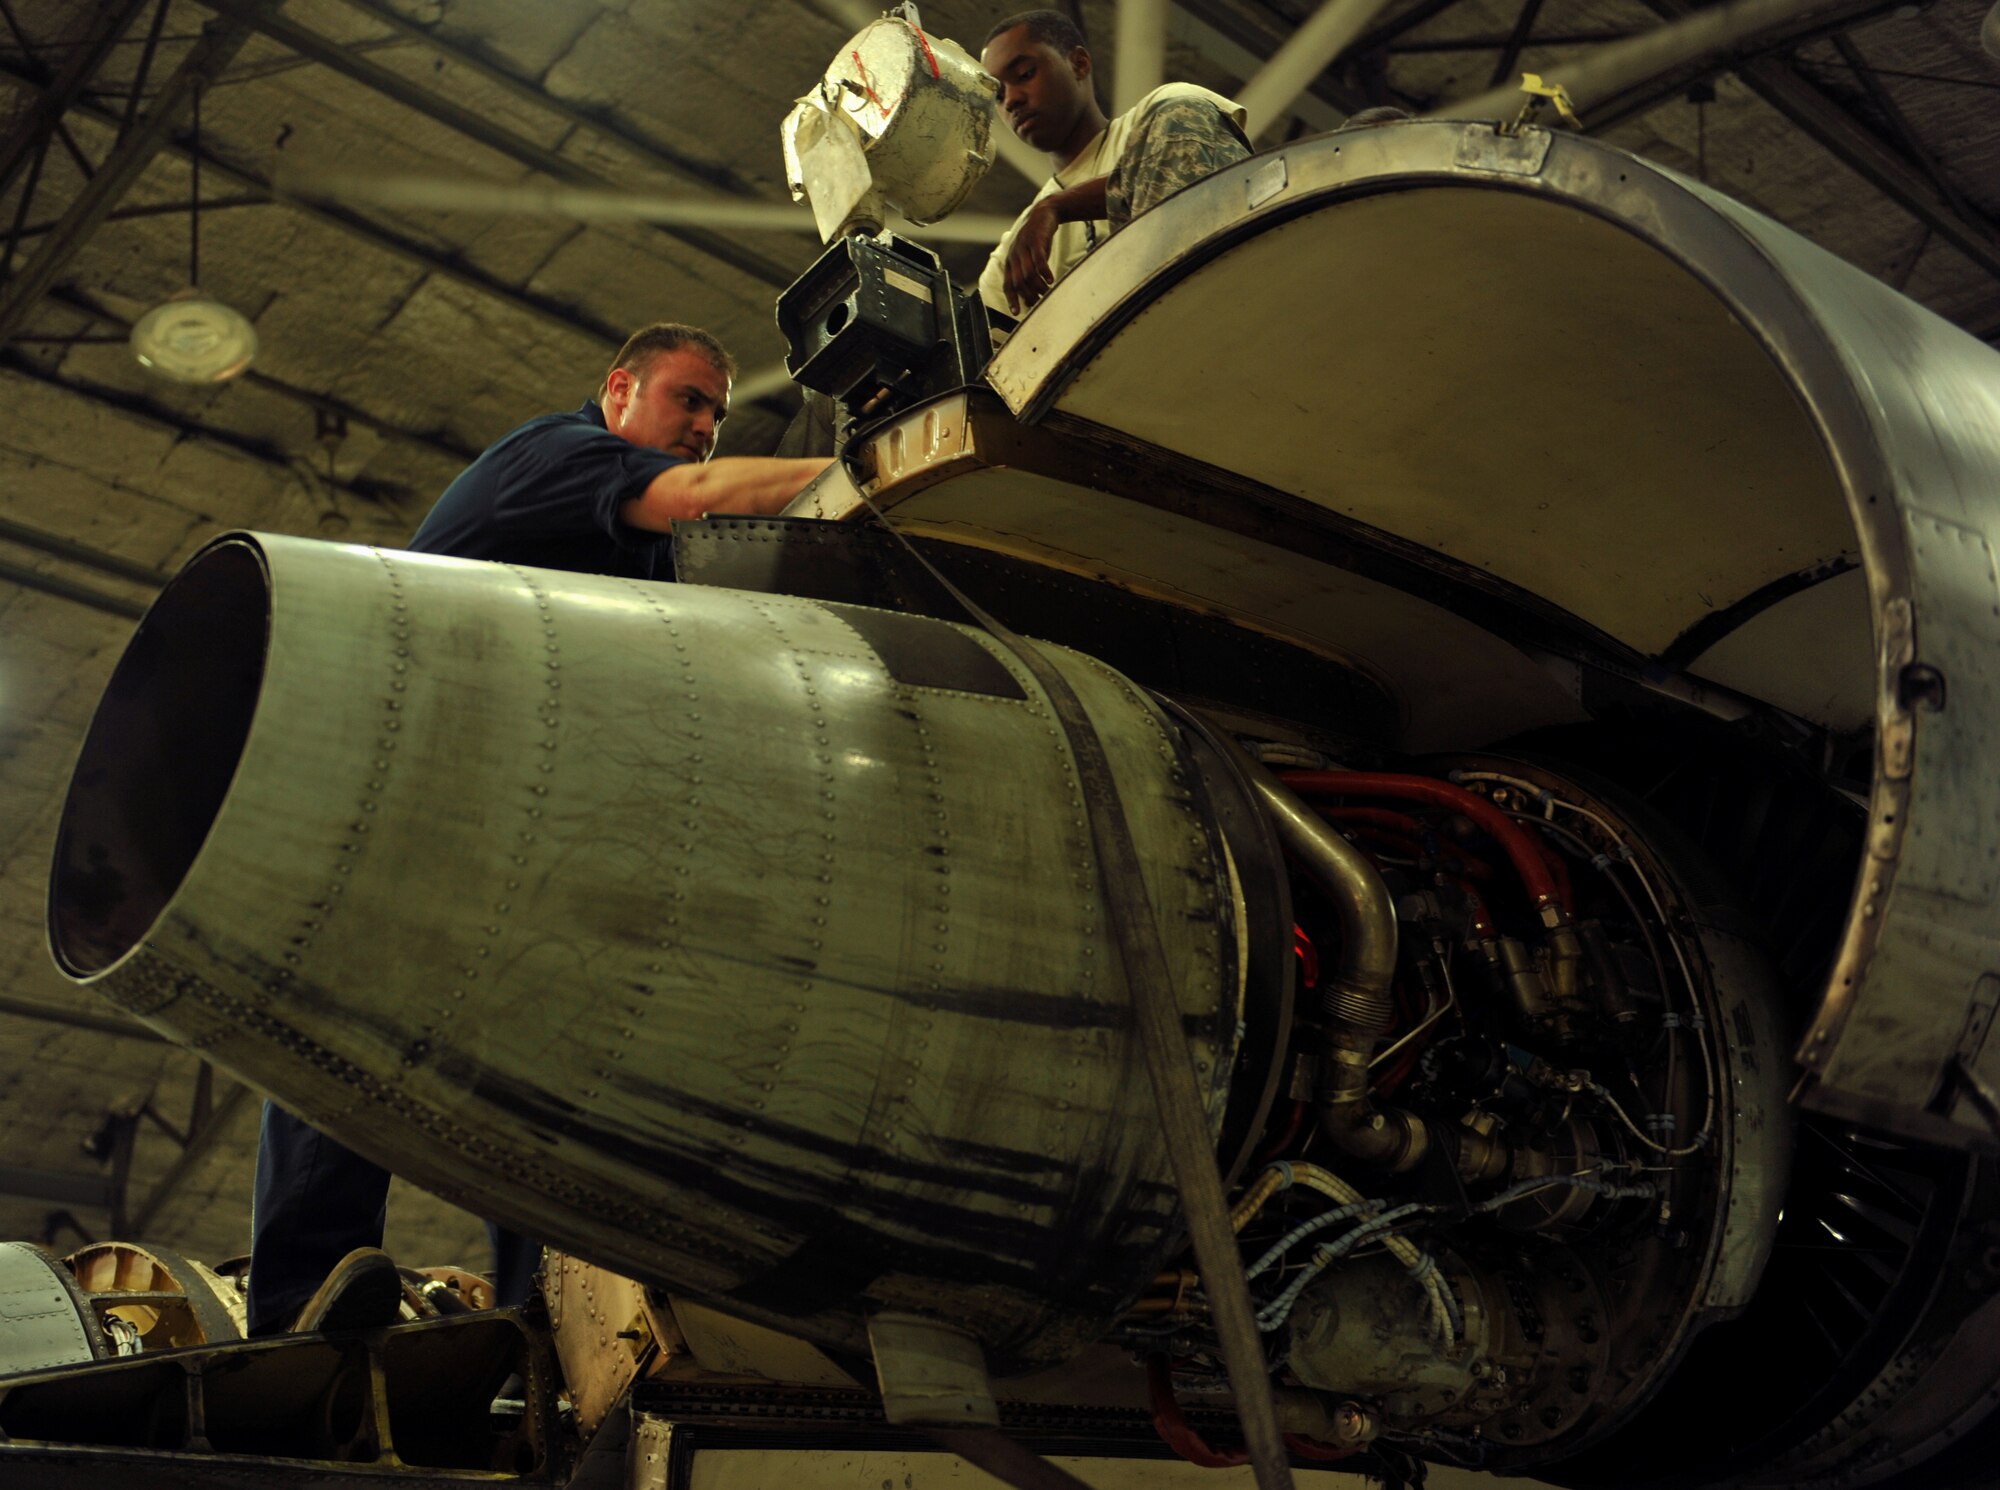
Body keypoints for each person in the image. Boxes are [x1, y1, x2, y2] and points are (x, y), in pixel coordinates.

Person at [246, 323, 832, 1336]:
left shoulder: (637, 560)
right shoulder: (557, 458)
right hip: (407, 784)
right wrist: (862, 465)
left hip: (511, 824)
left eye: (714, 414)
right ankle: (302, 1311)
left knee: (546, 1077)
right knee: (348, 1025)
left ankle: (547, 1331)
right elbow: (701, 497)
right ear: (618, 392)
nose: (700, 428)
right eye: (687, 400)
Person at [978, 10, 1251, 316]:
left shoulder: (1169, 113)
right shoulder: (1007, 259)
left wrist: (1058, 207)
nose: (1011, 100)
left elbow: (1191, 212)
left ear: (1079, 64)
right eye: (998, 96)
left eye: (1026, 74)